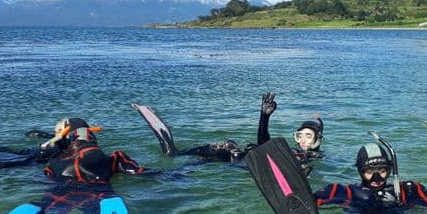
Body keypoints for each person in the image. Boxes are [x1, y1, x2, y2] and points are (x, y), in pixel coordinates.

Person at [0, 118, 150, 214]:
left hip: (59, 192)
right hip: (97, 191)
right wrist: (177, 169)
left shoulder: (53, 161)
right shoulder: (114, 157)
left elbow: (31, 168)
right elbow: (141, 174)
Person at [135, 92, 324, 166]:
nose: (303, 139)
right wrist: (264, 117)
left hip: (237, 163)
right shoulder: (287, 149)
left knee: (193, 165)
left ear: (317, 140)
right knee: (221, 147)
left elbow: (266, 152)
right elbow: (265, 146)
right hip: (235, 153)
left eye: (309, 136)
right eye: (300, 135)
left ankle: (169, 168)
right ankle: (173, 153)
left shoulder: (315, 157)